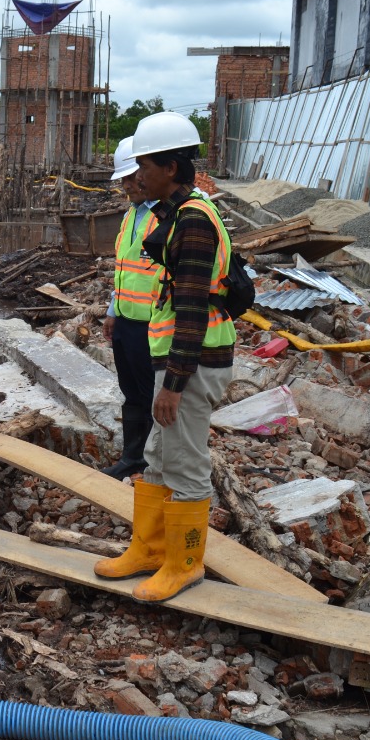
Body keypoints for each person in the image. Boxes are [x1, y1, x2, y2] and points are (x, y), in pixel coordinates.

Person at [93, 112, 234, 603]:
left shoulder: (193, 220)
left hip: (192, 362)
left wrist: (174, 385)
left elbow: (193, 309)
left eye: (145, 167)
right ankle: (149, 549)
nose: (139, 176)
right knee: (155, 456)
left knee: (186, 463)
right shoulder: (173, 212)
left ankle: (184, 562)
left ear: (171, 166)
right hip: (170, 357)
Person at [101, 136, 162, 480]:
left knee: (151, 394)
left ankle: (153, 462)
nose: (125, 187)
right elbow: (124, 269)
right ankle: (132, 457)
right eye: (122, 180)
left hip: (153, 326)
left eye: (129, 178)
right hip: (126, 321)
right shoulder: (131, 217)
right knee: (131, 394)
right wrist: (113, 310)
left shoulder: (167, 217)